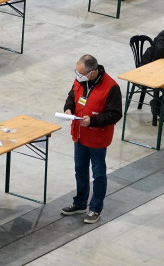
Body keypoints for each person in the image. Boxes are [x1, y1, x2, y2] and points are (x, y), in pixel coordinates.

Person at [60, 54, 122, 224]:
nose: (78, 76)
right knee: (80, 169)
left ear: (93, 72)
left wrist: (93, 121)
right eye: (77, 72)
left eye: (81, 73)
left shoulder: (111, 87)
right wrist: (68, 109)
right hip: (80, 134)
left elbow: (115, 114)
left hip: (97, 138)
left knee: (98, 174)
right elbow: (72, 96)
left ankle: (95, 208)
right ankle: (80, 203)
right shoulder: (80, 79)